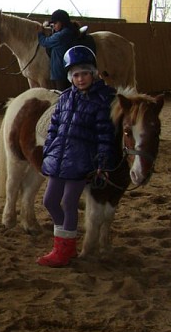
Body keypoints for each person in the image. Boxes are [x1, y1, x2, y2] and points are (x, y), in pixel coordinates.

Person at [37, 45, 117, 267]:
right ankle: (67, 242)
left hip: (81, 160)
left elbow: (104, 134)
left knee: (68, 202)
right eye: (75, 75)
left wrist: (102, 161)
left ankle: (62, 249)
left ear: (93, 73)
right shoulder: (65, 98)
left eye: (84, 74)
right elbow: (54, 127)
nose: (80, 79)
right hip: (60, 157)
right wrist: (50, 149)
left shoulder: (101, 101)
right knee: (50, 201)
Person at [37, 9, 78, 91]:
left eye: (55, 23)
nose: (54, 26)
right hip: (63, 72)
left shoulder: (61, 35)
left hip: (59, 73)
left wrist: (40, 33)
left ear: (62, 23)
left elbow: (45, 42)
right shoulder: (69, 31)